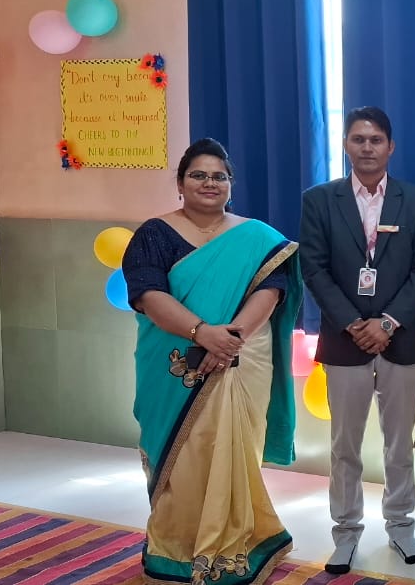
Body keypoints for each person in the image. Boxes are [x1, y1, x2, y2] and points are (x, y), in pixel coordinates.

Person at [123, 138, 302, 584]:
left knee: (233, 452)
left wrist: (230, 339)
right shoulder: (154, 234)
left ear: (231, 184)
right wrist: (203, 333)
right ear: (180, 183)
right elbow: (148, 295)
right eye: (198, 175)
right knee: (183, 459)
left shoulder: (258, 237)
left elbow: (272, 290)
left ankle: (238, 544)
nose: (209, 183)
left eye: (219, 176)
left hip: (240, 357)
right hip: (173, 363)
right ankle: (176, 548)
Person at [299, 106, 415, 574]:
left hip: (401, 338)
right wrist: (353, 323)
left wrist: (389, 323)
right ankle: (345, 532)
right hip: (345, 340)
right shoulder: (320, 200)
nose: (367, 147)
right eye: (358, 139)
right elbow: (314, 268)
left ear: (390, 147)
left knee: (399, 444)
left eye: (376, 139)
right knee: (344, 445)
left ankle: (401, 526)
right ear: (345, 145)